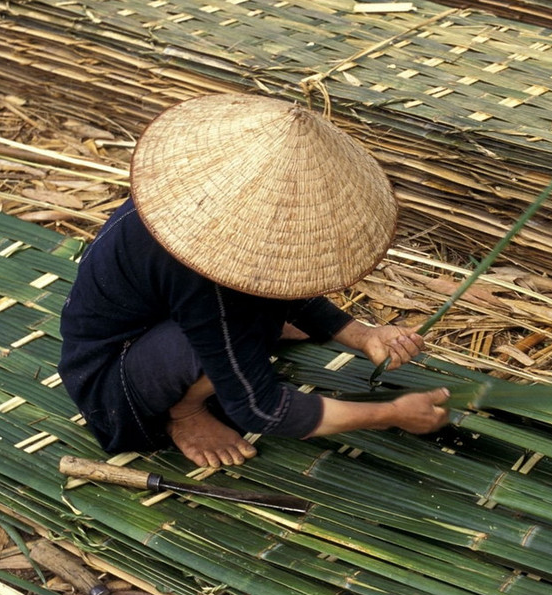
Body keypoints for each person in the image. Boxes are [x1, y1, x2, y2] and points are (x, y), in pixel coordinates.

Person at [57, 94, 450, 468]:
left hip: (159, 320)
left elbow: (271, 274)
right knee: (246, 329)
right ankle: (186, 412)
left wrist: (363, 335)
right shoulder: (209, 280)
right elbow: (261, 408)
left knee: (255, 318)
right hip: (113, 379)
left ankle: (248, 340)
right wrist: (392, 413)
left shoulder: (203, 203)